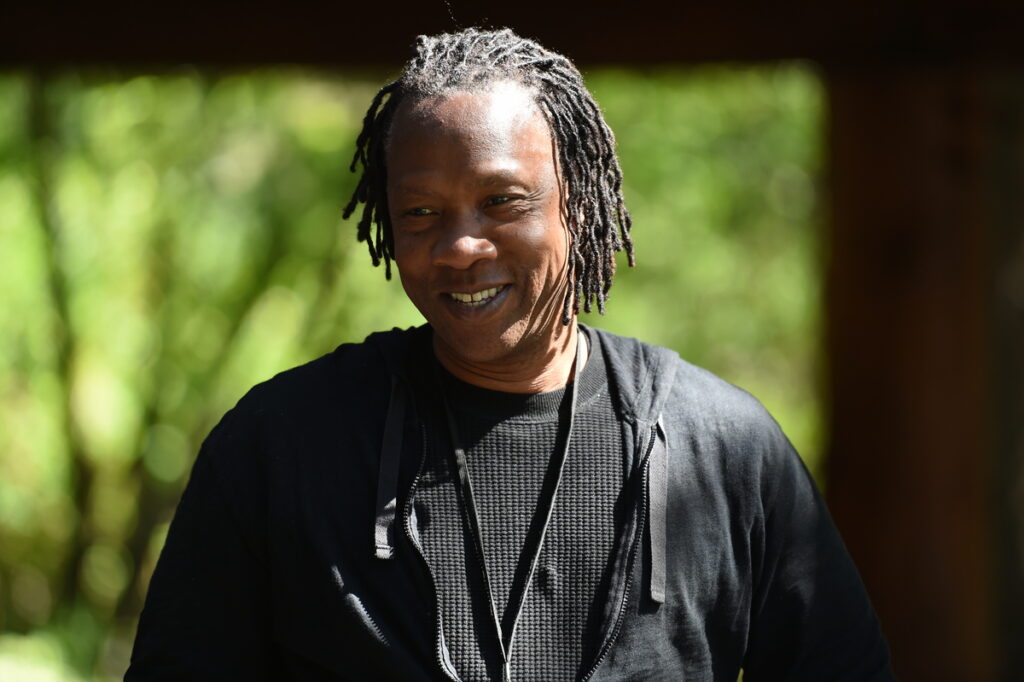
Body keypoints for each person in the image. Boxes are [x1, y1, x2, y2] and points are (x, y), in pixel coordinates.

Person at [126, 28, 894, 682]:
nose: (461, 246)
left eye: (503, 202)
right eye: (420, 213)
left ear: (579, 204)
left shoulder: (722, 449)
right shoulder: (282, 447)